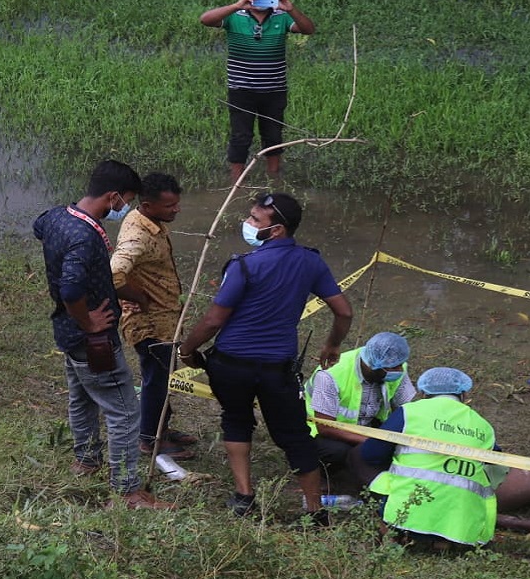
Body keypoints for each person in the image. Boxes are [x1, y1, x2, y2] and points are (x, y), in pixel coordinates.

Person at [178, 192, 352, 520]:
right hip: (278, 370)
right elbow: (344, 312)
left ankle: (244, 497)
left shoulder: (244, 265)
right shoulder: (312, 262)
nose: (247, 223)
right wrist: (332, 345)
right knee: (295, 435)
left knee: (236, 420)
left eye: (255, 220)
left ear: (276, 231)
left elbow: (215, 319)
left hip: (231, 365)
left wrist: (187, 349)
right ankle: (315, 512)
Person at [32, 160, 174, 510]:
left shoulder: (56, 217)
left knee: (81, 397)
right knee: (125, 412)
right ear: (113, 197)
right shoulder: (84, 236)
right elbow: (70, 289)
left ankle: (86, 460)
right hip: (92, 339)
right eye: (125, 200)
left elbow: (40, 231)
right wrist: (89, 322)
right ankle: (128, 491)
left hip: (66, 334)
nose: (125, 208)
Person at [361, 367, 505, 550]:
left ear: (423, 392)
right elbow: (497, 467)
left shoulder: (409, 412)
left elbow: (370, 453)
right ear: (463, 393)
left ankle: (390, 533)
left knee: (361, 460)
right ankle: (443, 543)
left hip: (404, 518)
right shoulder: (482, 425)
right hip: (461, 529)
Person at [110, 172, 198, 461]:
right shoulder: (138, 235)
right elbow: (113, 274)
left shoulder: (152, 222)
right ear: (147, 206)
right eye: (169, 206)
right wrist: (138, 298)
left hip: (166, 320)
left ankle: (162, 426)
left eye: (177, 203)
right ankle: (149, 439)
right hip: (150, 324)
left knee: (163, 376)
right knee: (156, 379)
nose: (176, 210)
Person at [199, 0, 316, 183]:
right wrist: (237, 5)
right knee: (241, 136)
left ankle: (273, 175)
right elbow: (205, 19)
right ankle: (237, 180)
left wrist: (291, 9)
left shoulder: (282, 15)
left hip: (275, 89)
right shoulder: (235, 16)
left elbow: (308, 29)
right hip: (241, 89)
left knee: (273, 135)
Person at [306, 331, 414, 485]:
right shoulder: (331, 374)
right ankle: (328, 478)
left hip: (367, 426)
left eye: (400, 365)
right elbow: (325, 427)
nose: (400, 371)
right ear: (375, 365)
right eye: (395, 368)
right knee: (337, 452)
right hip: (323, 431)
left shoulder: (394, 367)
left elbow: (407, 410)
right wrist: (372, 441)